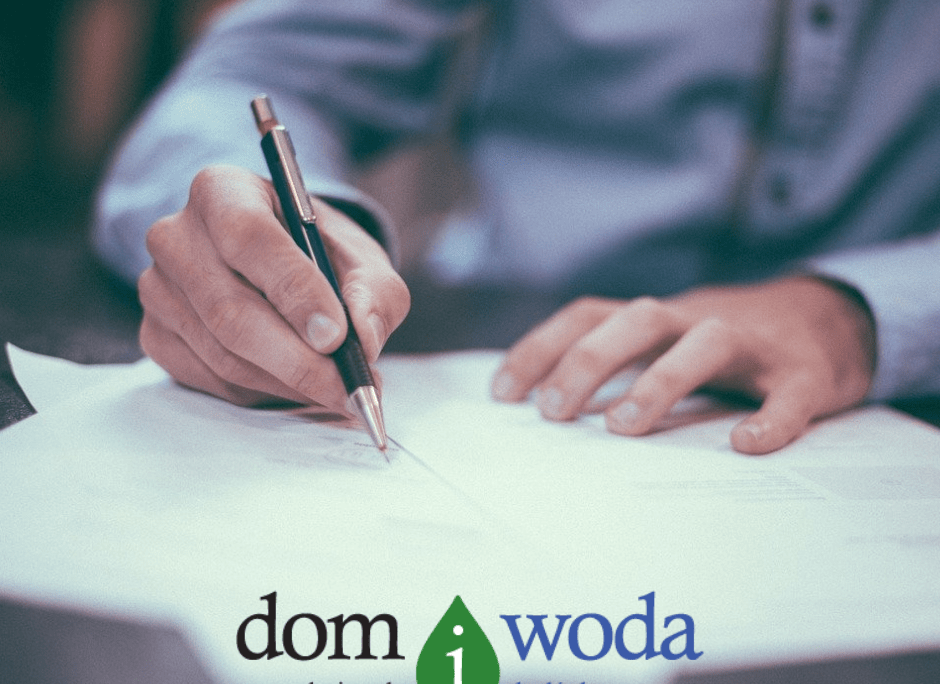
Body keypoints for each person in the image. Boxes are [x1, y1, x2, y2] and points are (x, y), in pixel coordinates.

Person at [93, 0, 940, 454]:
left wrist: (863, 312)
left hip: (894, 397)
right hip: (508, 360)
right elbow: (250, 77)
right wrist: (257, 237)